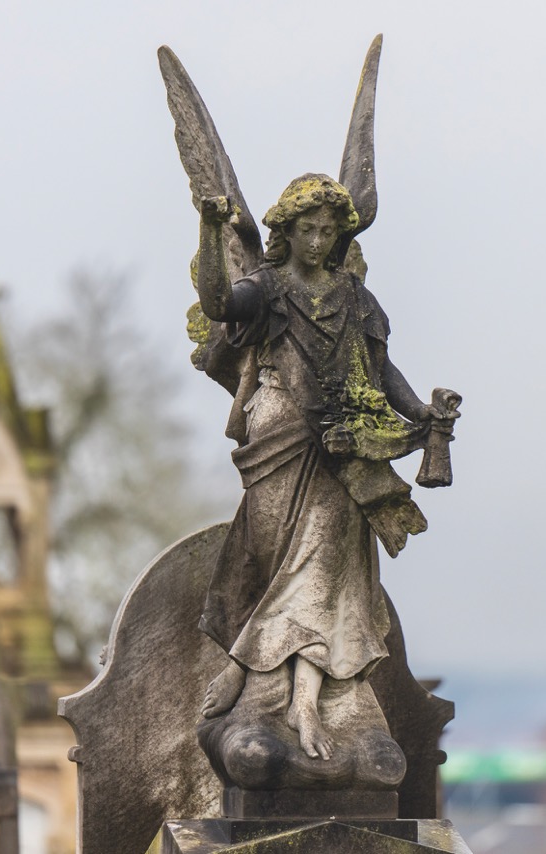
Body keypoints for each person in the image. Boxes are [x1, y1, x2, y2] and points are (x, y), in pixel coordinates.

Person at [192, 173, 454, 760]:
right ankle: (248, 667)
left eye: (327, 230)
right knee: (272, 561)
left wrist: (423, 413)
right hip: (279, 435)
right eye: (306, 229)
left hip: (342, 447)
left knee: (324, 569)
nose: (316, 240)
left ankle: (303, 698)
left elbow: (383, 375)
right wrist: (211, 230)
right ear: (286, 231)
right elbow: (217, 303)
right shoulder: (266, 288)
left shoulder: (356, 299)